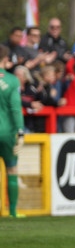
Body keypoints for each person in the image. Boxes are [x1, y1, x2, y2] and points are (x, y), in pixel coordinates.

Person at [0, 44, 26, 218]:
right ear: (6, 59)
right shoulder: (11, 80)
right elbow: (16, 108)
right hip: (6, 132)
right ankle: (13, 211)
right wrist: (21, 132)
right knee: (12, 170)